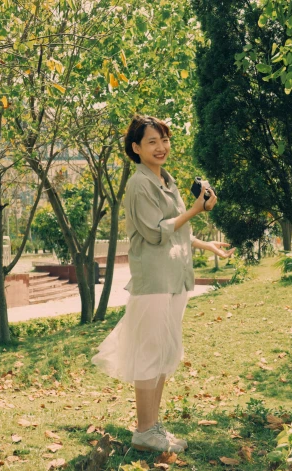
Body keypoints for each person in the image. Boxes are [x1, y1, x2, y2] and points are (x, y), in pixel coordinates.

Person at [91, 115, 235, 453]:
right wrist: (196, 211)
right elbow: (155, 231)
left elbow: (177, 228)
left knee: (165, 353)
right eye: (152, 141)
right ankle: (143, 431)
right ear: (136, 148)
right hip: (154, 280)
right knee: (150, 354)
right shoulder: (138, 184)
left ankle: (154, 427)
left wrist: (205, 244)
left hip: (175, 279)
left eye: (164, 139)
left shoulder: (166, 181)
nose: (161, 147)